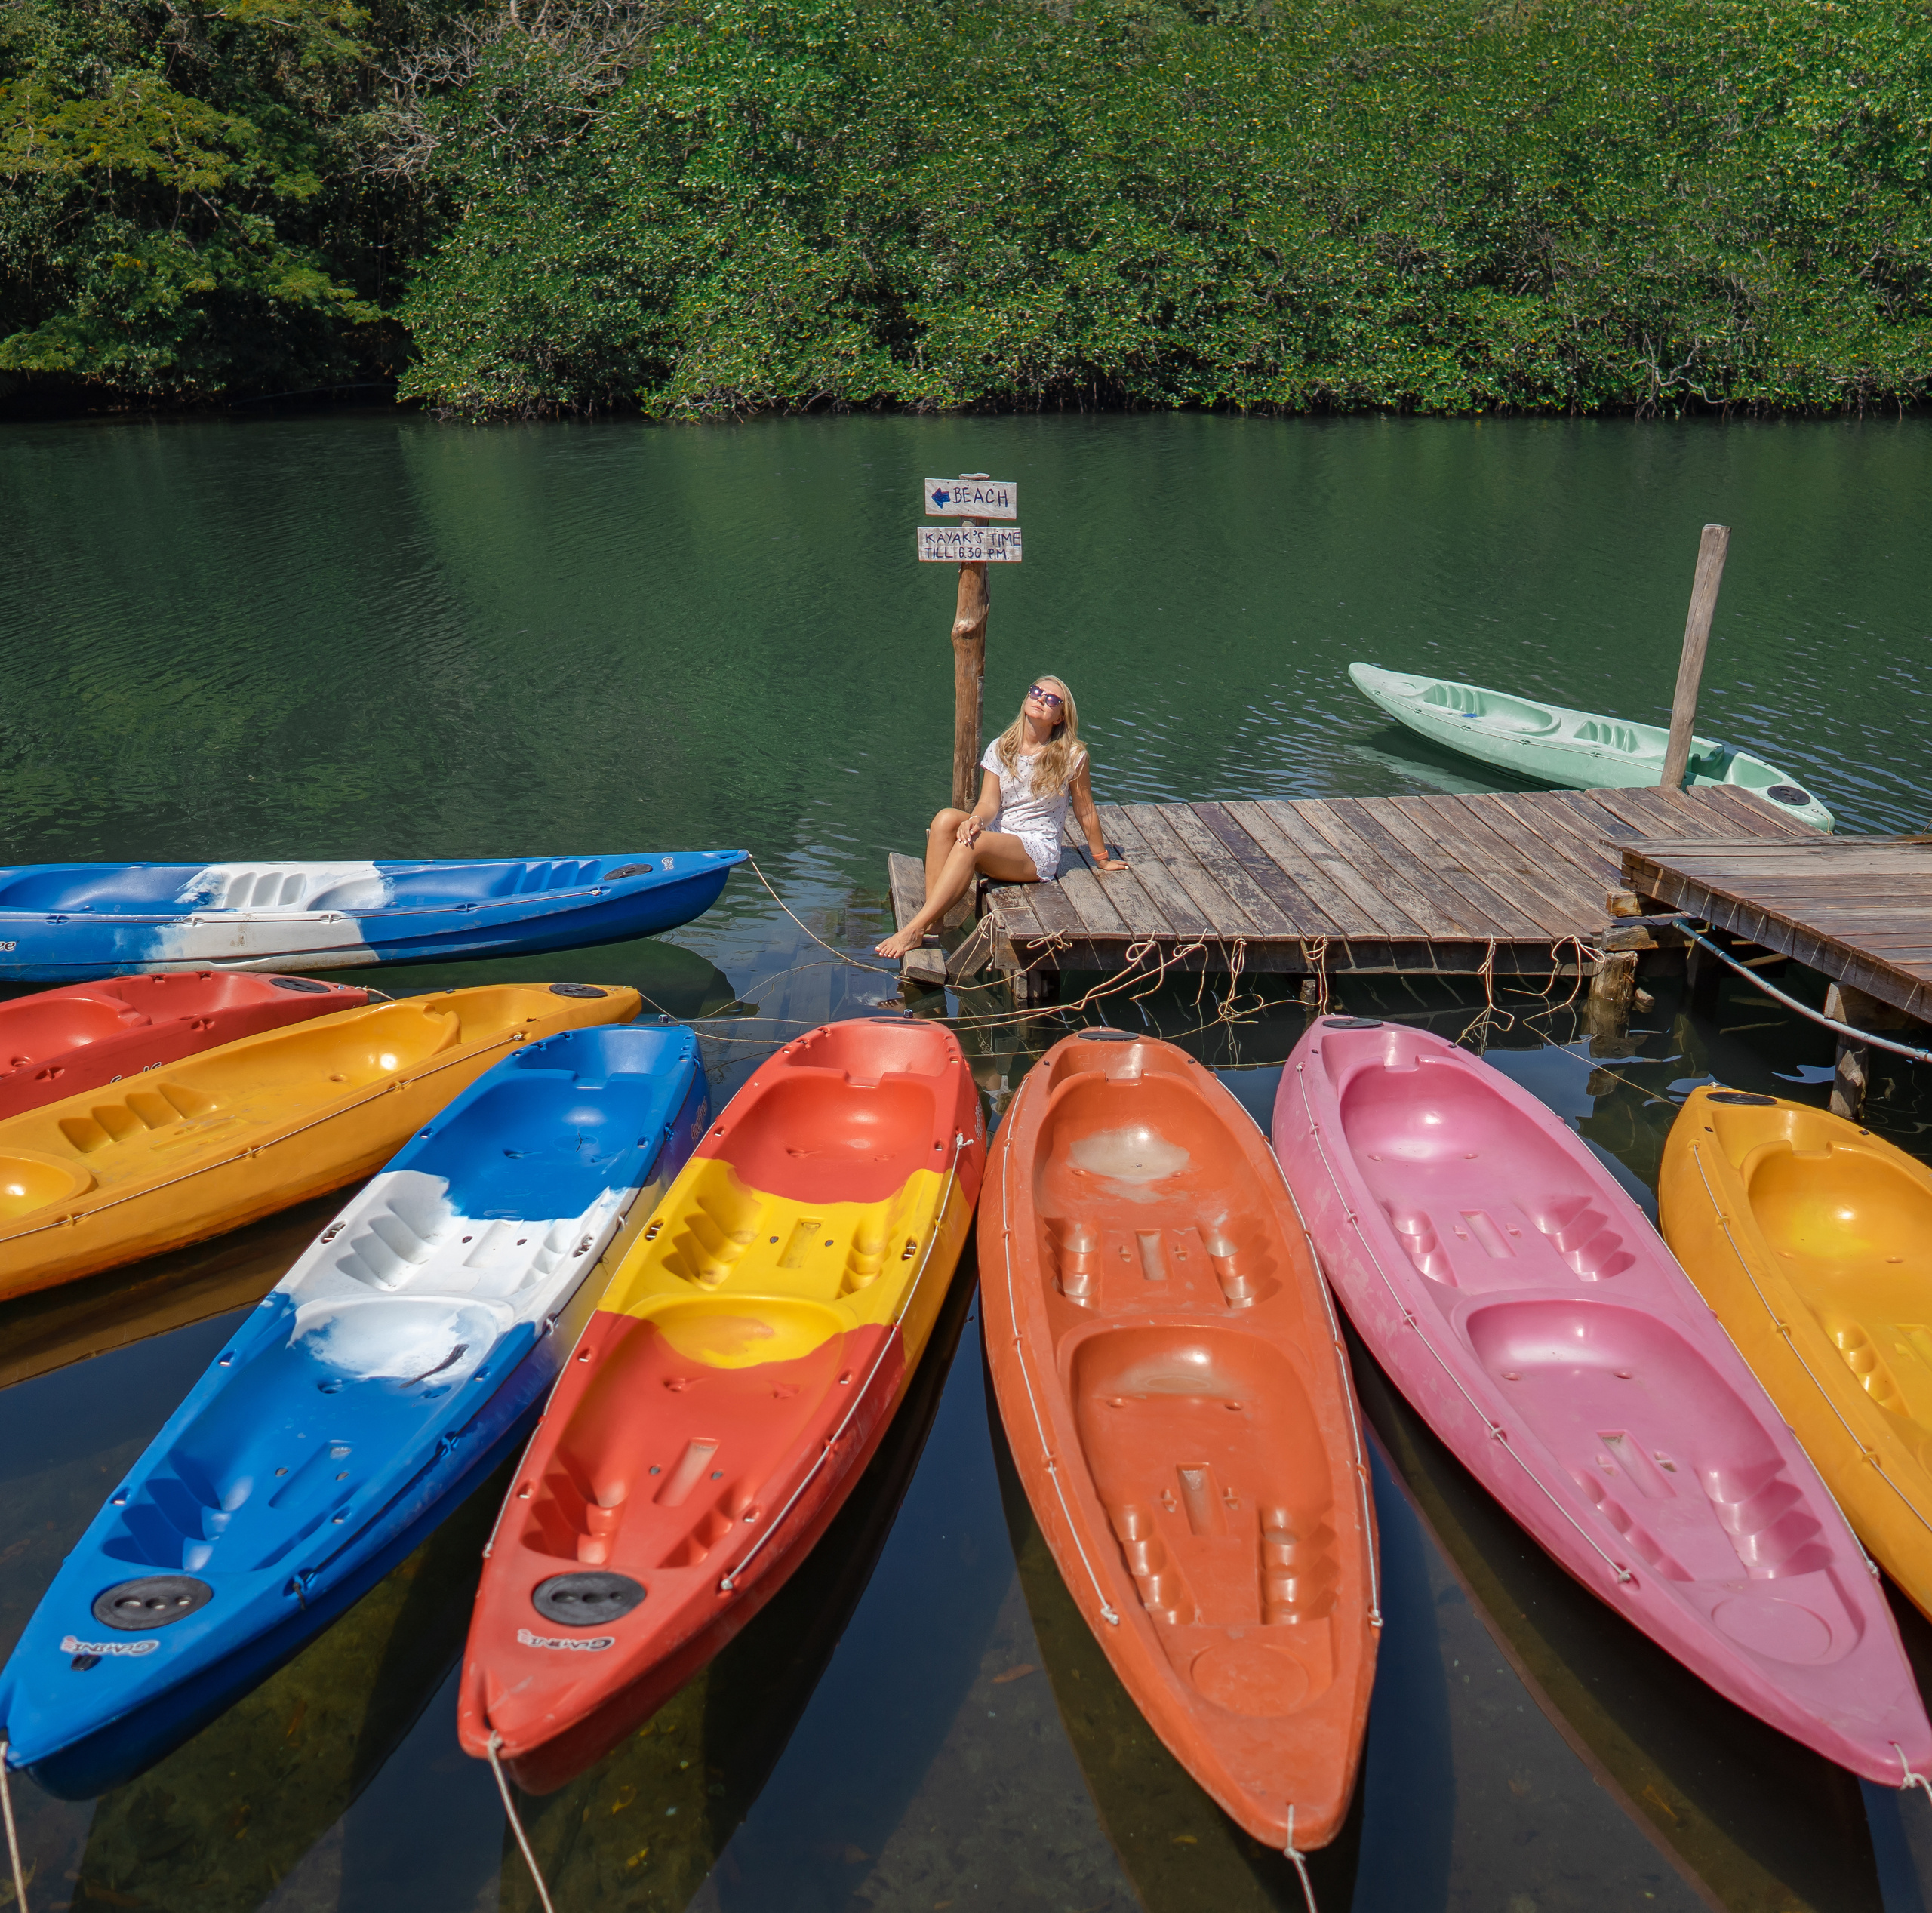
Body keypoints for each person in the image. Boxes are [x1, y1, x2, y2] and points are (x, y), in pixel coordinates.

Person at [875, 675, 1128, 961]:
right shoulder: (1002, 746)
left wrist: (1102, 857)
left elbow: (1085, 810)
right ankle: (934, 921)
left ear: (1059, 717)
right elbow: (988, 803)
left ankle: (915, 929)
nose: (1041, 699)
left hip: (1034, 850)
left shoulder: (1072, 755)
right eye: (1036, 692)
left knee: (975, 843)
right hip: (998, 831)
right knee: (946, 819)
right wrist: (976, 820)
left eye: (1052, 699)